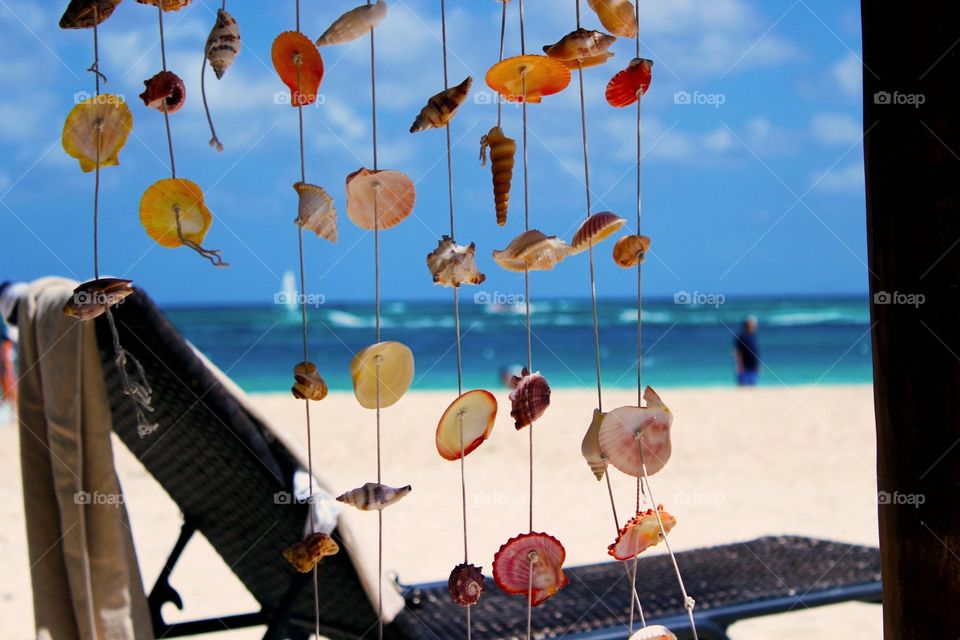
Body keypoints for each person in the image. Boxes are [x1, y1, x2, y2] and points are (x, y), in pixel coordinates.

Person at [733, 315, 760, 386]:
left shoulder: (752, 336)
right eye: (752, 324)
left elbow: (755, 352)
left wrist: (757, 364)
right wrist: (739, 365)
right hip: (744, 366)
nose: (754, 325)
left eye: (754, 324)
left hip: (753, 365)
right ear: (747, 325)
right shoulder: (742, 337)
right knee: (742, 386)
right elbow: (737, 352)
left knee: (752, 385)